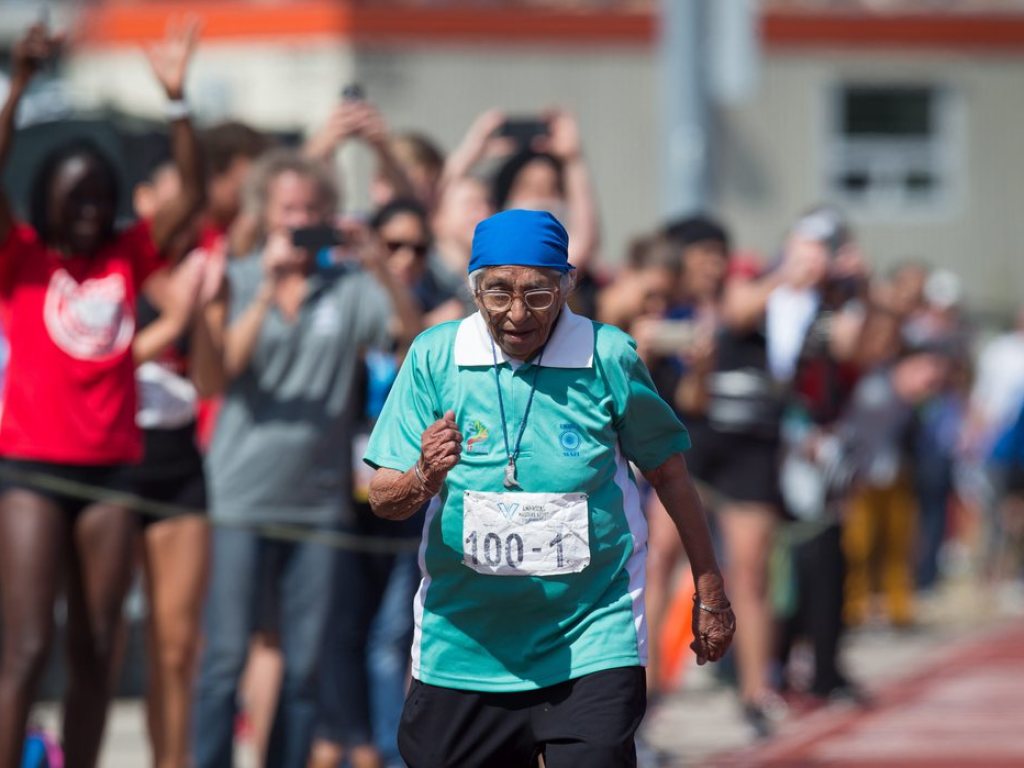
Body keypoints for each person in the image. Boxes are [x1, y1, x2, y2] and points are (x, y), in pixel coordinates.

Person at [363, 209, 734, 768]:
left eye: (538, 294)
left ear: (568, 286)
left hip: (590, 638)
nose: (517, 314)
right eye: (498, 293)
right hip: (464, 645)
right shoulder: (436, 357)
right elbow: (382, 495)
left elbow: (670, 475)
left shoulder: (608, 356)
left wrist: (710, 590)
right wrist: (423, 477)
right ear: (473, 289)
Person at [0, 20, 204, 767]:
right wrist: (18, 84)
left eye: (100, 197)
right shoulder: (18, 257)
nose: (89, 210)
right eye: (74, 197)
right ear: (46, 200)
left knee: (97, 647)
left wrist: (178, 106)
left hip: (114, 473)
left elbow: (194, 198)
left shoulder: (128, 252)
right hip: (30, 470)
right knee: (25, 647)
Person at [191, 148, 420, 768]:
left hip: (318, 502)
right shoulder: (237, 277)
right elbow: (219, 373)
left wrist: (379, 267)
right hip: (239, 494)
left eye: (313, 210)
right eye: (290, 210)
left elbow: (408, 336)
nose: (300, 221)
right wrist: (267, 286)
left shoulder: (347, 288)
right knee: (224, 659)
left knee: (304, 666)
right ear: (265, 214)